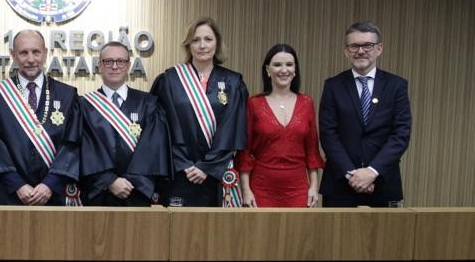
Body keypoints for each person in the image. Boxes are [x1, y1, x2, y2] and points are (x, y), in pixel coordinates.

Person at [150, 17, 247, 206]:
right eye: (196, 40)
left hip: (217, 175)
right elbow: (160, 129)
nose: (202, 45)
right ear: (188, 45)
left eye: (208, 39)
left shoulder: (233, 83)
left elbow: (232, 128)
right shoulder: (169, 80)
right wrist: (184, 164)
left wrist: (207, 166)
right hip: (179, 172)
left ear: (217, 43)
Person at [319, 21, 411, 207]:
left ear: (379, 49)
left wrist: (372, 172)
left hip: (383, 183)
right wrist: (352, 175)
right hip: (340, 185)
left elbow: (400, 134)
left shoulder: (396, 86)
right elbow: (328, 135)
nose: (360, 51)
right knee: (336, 237)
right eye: (354, 46)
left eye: (367, 45)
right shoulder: (333, 86)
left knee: (386, 237)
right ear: (346, 51)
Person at [0, 29, 81, 206]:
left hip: (54, 194)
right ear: (13, 55)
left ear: (45, 53)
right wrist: (17, 185)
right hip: (11, 194)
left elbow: (72, 144)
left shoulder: (68, 95)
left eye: (36, 52)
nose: (30, 59)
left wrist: (50, 184)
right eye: (23, 53)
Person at [80, 41, 170, 206]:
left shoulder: (149, 104)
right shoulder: (83, 105)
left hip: (136, 193)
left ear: (128, 65)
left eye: (120, 61)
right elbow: (83, 149)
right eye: (108, 61)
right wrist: (108, 181)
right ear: (99, 65)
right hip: (97, 193)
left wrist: (132, 182)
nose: (114, 66)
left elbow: (152, 149)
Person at [236, 44, 323, 207]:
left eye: (289, 64)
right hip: (261, 189)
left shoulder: (306, 103)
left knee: (297, 233)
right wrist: (246, 190)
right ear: (267, 70)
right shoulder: (253, 104)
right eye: (277, 65)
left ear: (295, 69)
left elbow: (312, 150)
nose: (284, 70)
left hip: (298, 190)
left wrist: (313, 187)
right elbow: (244, 153)